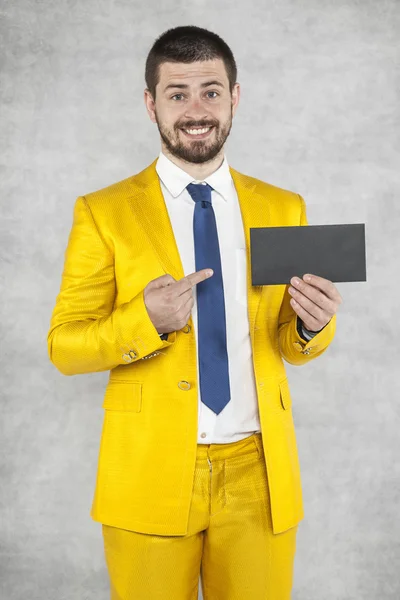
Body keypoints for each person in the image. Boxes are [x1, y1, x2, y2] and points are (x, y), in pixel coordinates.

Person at [47, 25, 342, 600]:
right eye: (177, 94)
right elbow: (64, 345)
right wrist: (145, 320)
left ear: (235, 97)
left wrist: (313, 324)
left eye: (211, 90)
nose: (196, 109)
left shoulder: (284, 206)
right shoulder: (103, 213)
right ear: (151, 103)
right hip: (149, 474)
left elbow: (291, 342)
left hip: (259, 474)